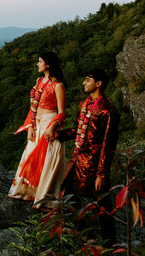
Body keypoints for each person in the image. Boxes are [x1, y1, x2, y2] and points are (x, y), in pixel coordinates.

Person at [55, 69, 119, 245]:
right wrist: (59, 135)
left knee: (103, 204)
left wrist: (102, 174)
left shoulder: (108, 110)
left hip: (94, 163)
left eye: (88, 80)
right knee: (68, 194)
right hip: (78, 160)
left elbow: (108, 145)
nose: (84, 83)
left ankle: (109, 245)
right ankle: (83, 237)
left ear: (98, 84)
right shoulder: (85, 104)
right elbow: (78, 131)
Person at [8, 51, 66, 209]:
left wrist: (52, 127)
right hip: (37, 124)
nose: (38, 64)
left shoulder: (58, 85)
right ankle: (31, 193)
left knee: (46, 162)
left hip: (49, 124)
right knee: (31, 157)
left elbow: (62, 113)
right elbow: (33, 107)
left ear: (48, 64)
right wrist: (30, 126)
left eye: (40, 61)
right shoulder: (39, 80)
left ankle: (44, 199)